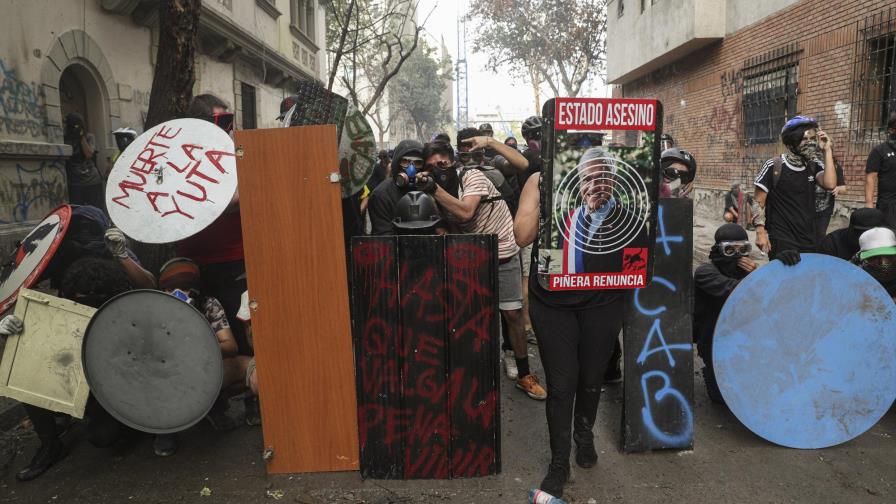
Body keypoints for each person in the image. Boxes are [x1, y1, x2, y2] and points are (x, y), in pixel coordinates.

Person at [514, 171, 624, 499]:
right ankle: (559, 462)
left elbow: (637, 232)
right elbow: (521, 236)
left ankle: (584, 432)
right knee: (562, 385)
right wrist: (550, 197)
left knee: (591, 378)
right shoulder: (540, 178)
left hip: (604, 298)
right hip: (553, 298)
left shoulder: (616, 177)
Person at [422, 141, 546, 401]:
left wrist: (433, 189)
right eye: (431, 167)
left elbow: (466, 213)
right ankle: (474, 373)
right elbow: (449, 225)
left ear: (452, 162)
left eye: (442, 164)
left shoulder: (471, 176)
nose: (438, 170)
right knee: (471, 317)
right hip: (472, 256)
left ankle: (525, 373)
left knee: (512, 314)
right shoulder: (435, 191)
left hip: (502, 254)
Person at [0, 257, 136, 481]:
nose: (82, 305)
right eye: (77, 299)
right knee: (27, 362)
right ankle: (51, 445)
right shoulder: (67, 310)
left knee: (103, 437)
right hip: (74, 379)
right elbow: (37, 340)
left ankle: (128, 424)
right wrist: (11, 330)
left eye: (91, 300)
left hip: (114, 389)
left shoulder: (125, 315)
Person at [152, 258, 252, 455]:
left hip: (201, 367)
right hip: (166, 376)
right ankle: (164, 429)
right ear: (162, 290)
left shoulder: (208, 304)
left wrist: (197, 341)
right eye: (171, 288)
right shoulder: (152, 310)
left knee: (247, 365)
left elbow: (230, 346)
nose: (178, 293)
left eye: (185, 288)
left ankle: (213, 407)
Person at [176, 94, 249, 354]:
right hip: (192, 267)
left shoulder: (236, 156)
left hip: (234, 263)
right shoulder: (177, 159)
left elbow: (247, 194)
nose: (228, 129)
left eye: (230, 122)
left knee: (240, 334)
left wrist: (207, 206)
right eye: (222, 121)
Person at [752, 116, 838, 260]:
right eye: (805, 139)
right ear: (791, 143)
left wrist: (827, 150)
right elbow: (758, 202)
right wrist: (761, 233)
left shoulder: (813, 165)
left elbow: (830, 184)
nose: (810, 144)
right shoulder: (774, 166)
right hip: (781, 238)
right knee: (786, 279)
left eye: (813, 139)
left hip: (808, 237)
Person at [693, 224, 759, 404]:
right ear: (718, 250)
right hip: (713, 338)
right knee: (722, 399)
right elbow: (732, 291)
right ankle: (712, 372)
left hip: (742, 336)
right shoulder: (705, 272)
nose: (737, 256)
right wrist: (757, 276)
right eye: (730, 250)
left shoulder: (748, 273)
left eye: (742, 249)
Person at [368, 139, 425, 236]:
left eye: (417, 163)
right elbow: (384, 239)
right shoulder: (381, 196)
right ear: (396, 164)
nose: (411, 169)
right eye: (405, 161)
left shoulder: (427, 189)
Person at [63, 113, 104, 208]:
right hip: (75, 182)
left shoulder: (89, 137)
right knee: (77, 210)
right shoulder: (65, 139)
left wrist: (81, 137)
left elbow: (89, 154)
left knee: (95, 209)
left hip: (92, 180)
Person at [864, 112, 896, 226]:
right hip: (888, 207)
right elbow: (871, 178)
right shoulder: (879, 151)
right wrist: (869, 204)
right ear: (891, 130)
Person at [819, 208, 883, 261]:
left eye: (870, 234)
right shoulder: (831, 243)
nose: (864, 237)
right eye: (860, 232)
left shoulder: (886, 245)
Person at [814, 156, 847, 245]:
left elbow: (843, 188)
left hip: (824, 210)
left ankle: (818, 256)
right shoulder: (811, 165)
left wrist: (838, 188)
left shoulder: (835, 167)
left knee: (820, 236)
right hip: (807, 209)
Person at [855, 227, 896, 298]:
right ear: (864, 260)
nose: (882, 262)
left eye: (888, 256)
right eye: (874, 258)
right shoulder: (855, 279)